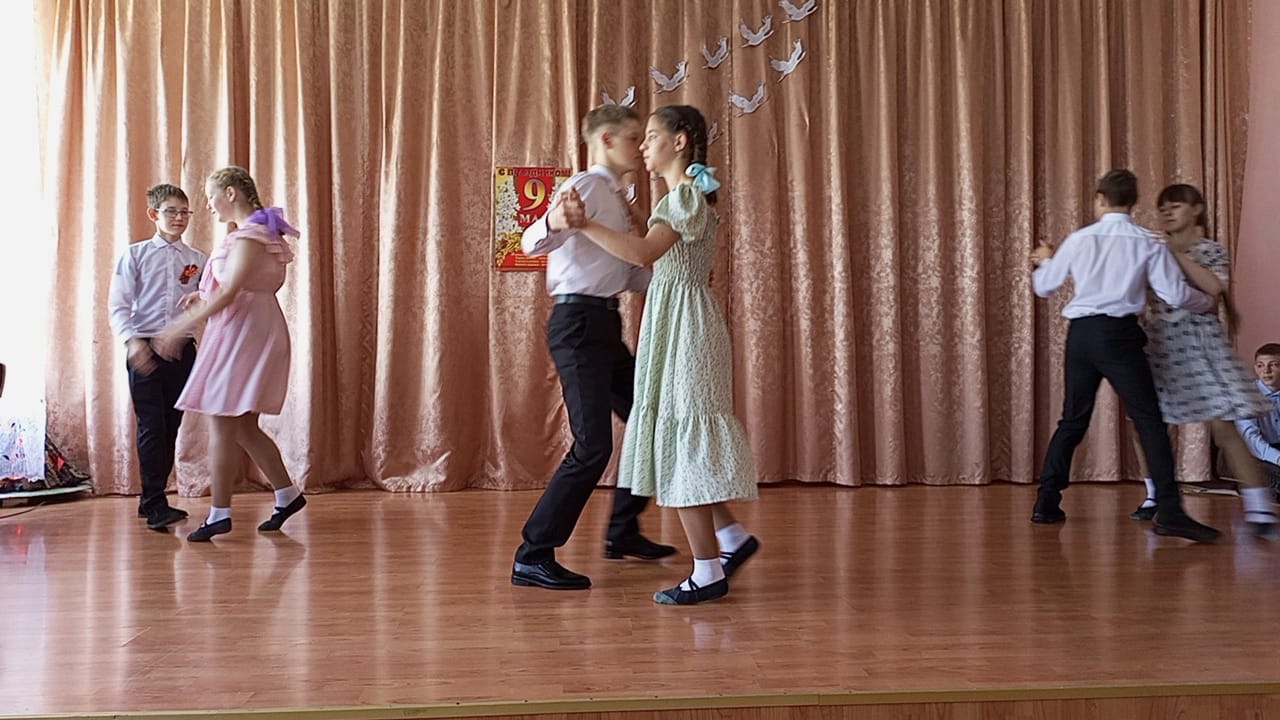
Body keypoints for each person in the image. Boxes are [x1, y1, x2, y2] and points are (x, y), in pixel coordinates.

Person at [562, 104, 759, 604]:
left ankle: (708, 570)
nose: (644, 145)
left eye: (651, 135)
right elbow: (661, 256)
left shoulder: (683, 198)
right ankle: (725, 545)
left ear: (680, 141)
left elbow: (643, 253)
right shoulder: (681, 199)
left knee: (683, 443)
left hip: (686, 329)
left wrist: (584, 225)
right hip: (678, 323)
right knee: (680, 439)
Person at [511, 105, 676, 591]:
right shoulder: (585, 185)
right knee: (592, 447)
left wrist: (675, 278)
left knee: (649, 419)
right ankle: (532, 554)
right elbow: (531, 242)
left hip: (603, 322)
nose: (640, 147)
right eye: (632, 137)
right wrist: (553, 219)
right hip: (578, 324)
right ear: (605, 139)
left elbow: (628, 274)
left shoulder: (616, 198)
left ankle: (622, 531)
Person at [1028, 169, 1219, 543]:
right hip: (1119, 336)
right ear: (1133, 203)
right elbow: (1174, 294)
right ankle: (1170, 511)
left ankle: (1046, 502)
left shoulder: (1080, 239)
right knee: (1149, 421)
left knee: (1072, 420)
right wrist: (1207, 302)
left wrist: (1046, 261)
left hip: (1081, 336)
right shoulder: (1147, 242)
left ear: (1100, 199)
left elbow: (1045, 287)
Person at [153, 166, 305, 542]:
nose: (208, 205)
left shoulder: (250, 236)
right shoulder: (256, 234)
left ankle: (219, 513)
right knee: (242, 424)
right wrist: (201, 295)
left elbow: (231, 290)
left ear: (231, 193)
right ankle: (287, 495)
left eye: (211, 196)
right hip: (249, 326)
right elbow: (242, 285)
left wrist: (179, 326)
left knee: (223, 420)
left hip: (244, 331)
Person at [1122, 184, 1274, 538]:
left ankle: (1260, 509)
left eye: (1175, 206)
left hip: (1202, 348)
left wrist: (1173, 253)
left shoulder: (1211, 250)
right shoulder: (1150, 250)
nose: (1166, 212)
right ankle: (1155, 496)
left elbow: (1214, 287)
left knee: (1224, 428)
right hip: (1160, 348)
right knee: (1144, 425)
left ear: (1196, 209)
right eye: (1162, 207)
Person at [107, 183, 207, 531]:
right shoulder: (134, 255)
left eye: (184, 212)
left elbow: (205, 303)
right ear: (153, 214)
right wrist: (133, 343)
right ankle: (154, 503)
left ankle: (152, 498)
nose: (179, 218)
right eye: (171, 211)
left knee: (172, 424)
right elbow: (118, 305)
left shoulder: (197, 260)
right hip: (144, 348)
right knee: (152, 425)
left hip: (181, 349)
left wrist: (181, 332)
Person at [1235, 343, 1280, 506]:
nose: (1266, 371)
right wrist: (1277, 458)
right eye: (1260, 366)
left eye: (1273, 365)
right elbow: (1251, 439)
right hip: (1259, 452)